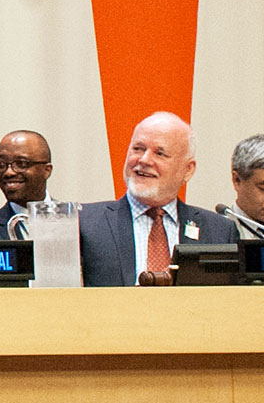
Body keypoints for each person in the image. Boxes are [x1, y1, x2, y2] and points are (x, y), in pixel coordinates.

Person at [78, 111, 238, 286]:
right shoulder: (85, 222)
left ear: (187, 170)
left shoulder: (219, 231)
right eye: (138, 149)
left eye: (160, 153)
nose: (144, 159)